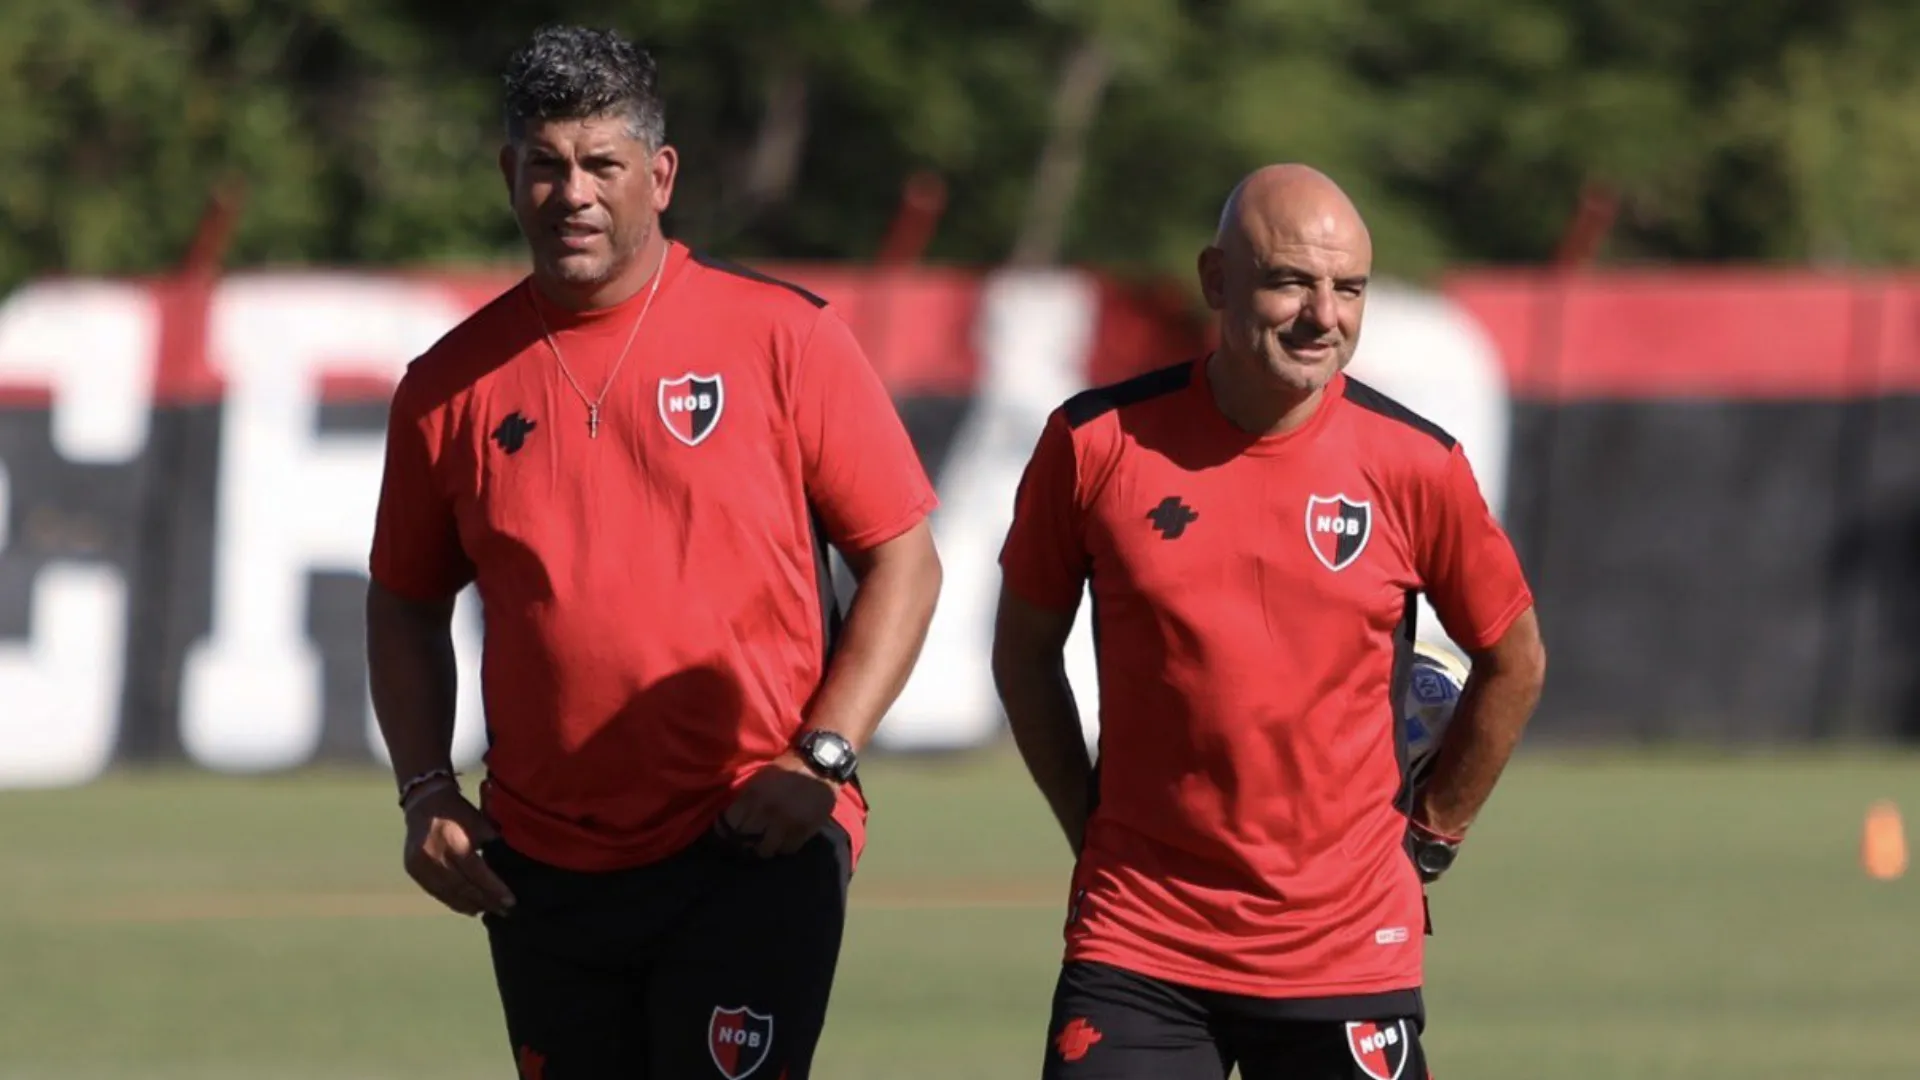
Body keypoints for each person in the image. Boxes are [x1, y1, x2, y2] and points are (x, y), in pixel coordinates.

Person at [364, 24, 942, 1079]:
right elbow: (403, 599)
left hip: (752, 835)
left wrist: (822, 757)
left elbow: (905, 557)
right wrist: (424, 791)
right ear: (509, 174)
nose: (572, 193)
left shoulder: (784, 339)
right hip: (540, 864)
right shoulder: (447, 385)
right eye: (545, 164)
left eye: (601, 165)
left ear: (660, 175)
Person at [991, 163, 1547, 1080]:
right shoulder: (1093, 444)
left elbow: (1513, 660)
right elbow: (1024, 652)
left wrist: (1432, 837)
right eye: (1291, 280)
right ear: (1218, 281)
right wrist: (1091, 822)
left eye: (1350, 288)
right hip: (1141, 944)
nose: (1323, 314)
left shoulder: (1417, 465)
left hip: (1345, 946)